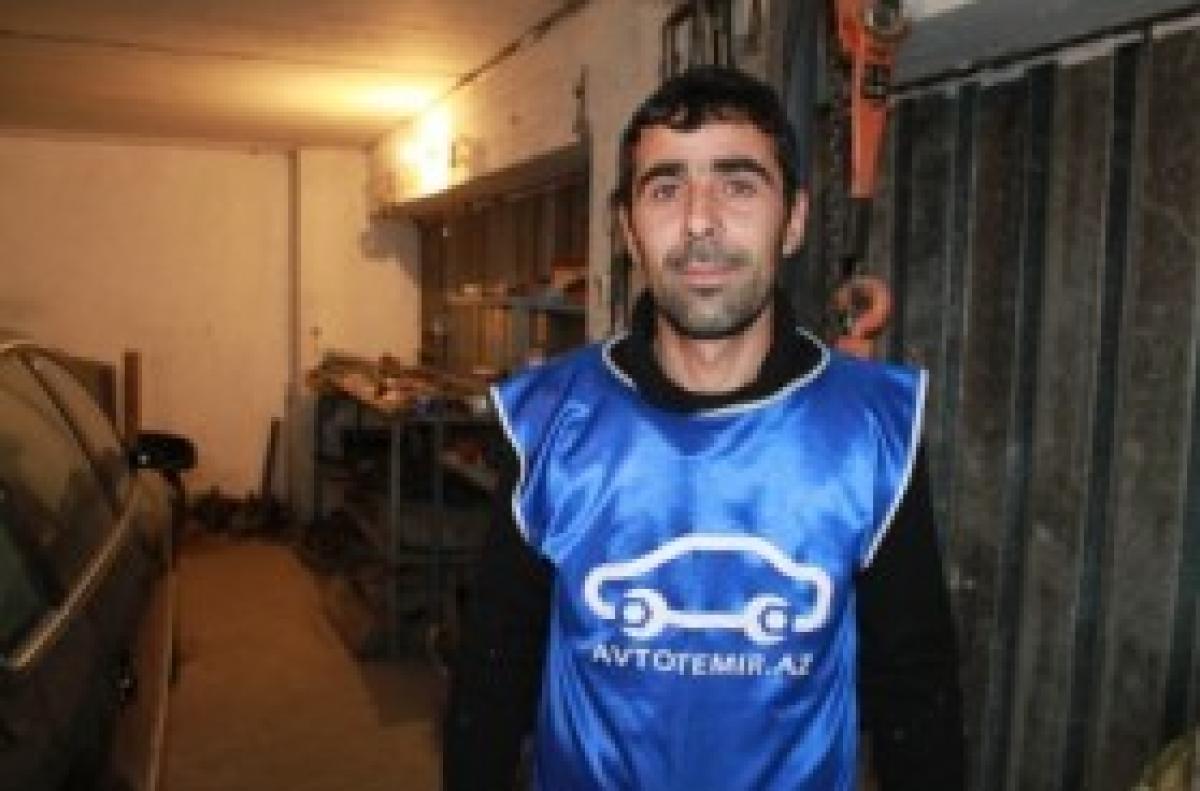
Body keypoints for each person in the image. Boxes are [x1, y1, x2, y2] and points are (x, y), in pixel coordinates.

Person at [443, 65, 964, 790]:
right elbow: (492, 676)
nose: (699, 221)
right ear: (628, 231)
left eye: (738, 185)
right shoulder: (546, 420)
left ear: (795, 220)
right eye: (665, 189)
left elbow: (917, 692)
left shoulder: (875, 429)